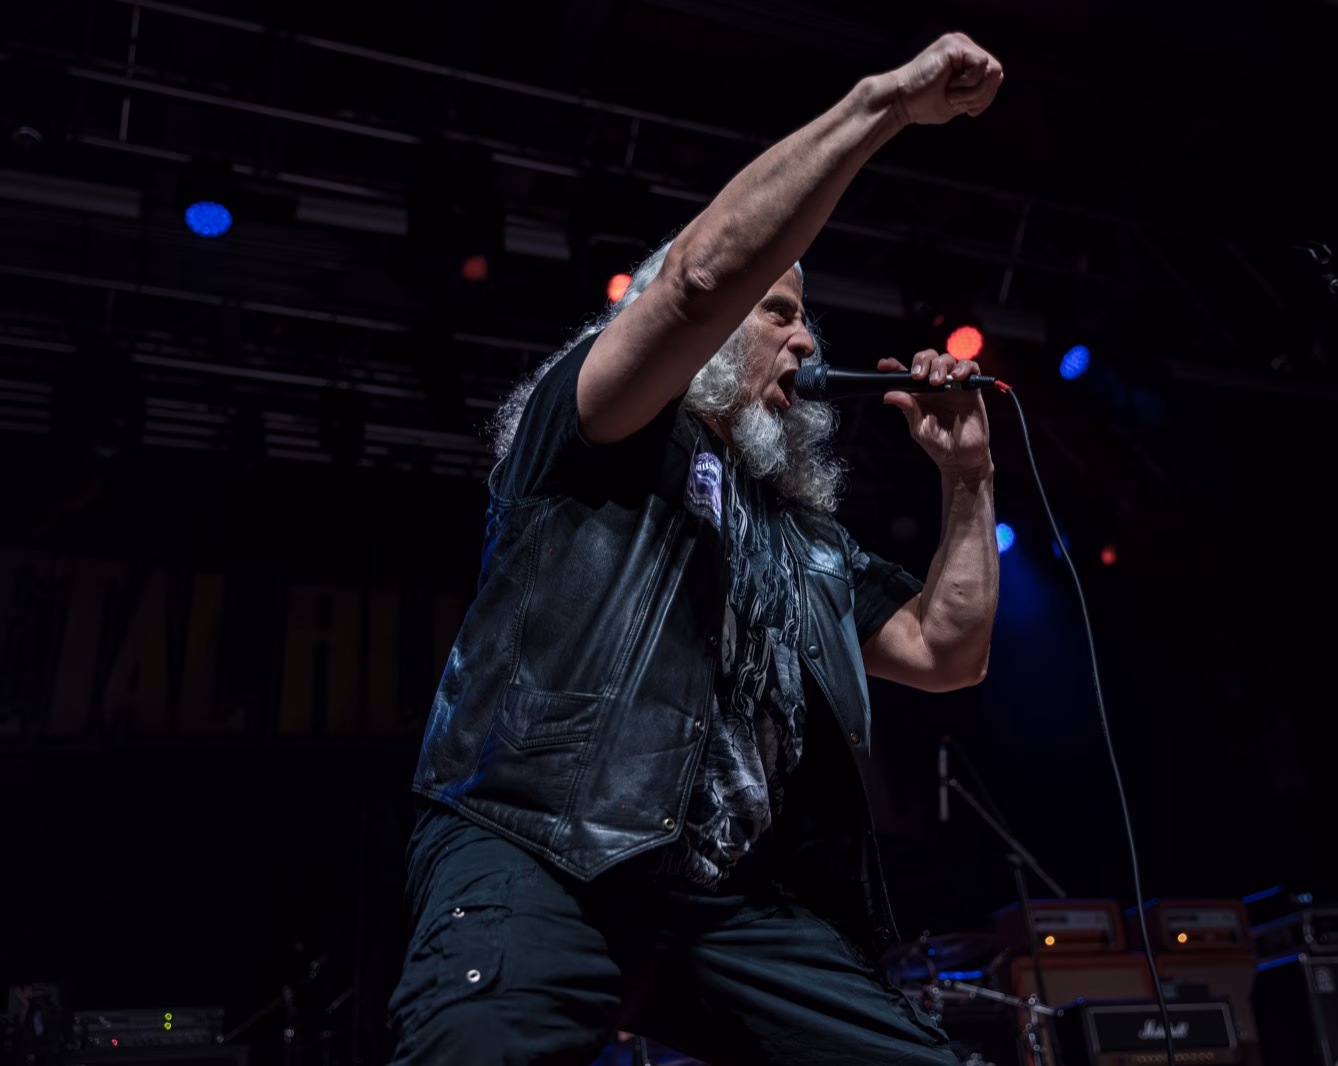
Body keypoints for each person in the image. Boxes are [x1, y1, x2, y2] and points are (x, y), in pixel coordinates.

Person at [387, 33, 1005, 1066]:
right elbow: (701, 276)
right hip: (540, 847)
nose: (807, 342)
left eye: (805, 322)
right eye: (781, 312)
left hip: (722, 899)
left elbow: (948, 651)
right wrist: (885, 104)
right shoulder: (598, 419)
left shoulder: (799, 541)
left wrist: (968, 477)